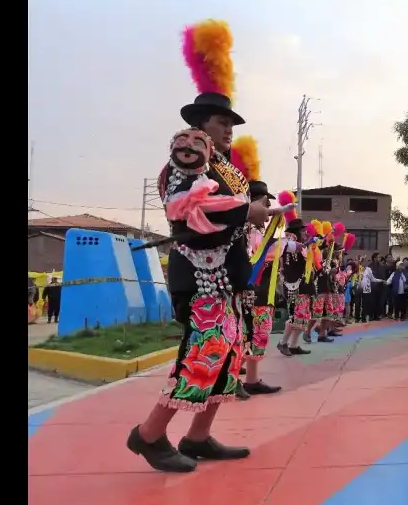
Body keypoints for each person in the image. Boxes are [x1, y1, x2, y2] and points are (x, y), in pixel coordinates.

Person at [127, 88, 271, 472]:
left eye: (231, 125)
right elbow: (190, 212)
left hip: (229, 278)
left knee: (228, 358)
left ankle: (197, 436)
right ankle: (149, 434)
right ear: (200, 125)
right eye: (222, 123)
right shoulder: (187, 160)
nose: (229, 130)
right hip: (202, 276)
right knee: (201, 357)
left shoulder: (223, 166)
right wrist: (246, 211)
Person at [237, 178, 283, 396]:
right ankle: (233, 379)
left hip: (263, 292)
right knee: (244, 333)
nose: (268, 212)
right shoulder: (245, 231)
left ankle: (252, 379)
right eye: (266, 205)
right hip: (248, 292)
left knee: (258, 334)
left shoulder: (259, 232)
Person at [276, 216, 312, 356]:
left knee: (302, 317)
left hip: (302, 285)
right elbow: (289, 268)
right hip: (294, 286)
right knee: (294, 316)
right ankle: (283, 342)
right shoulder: (289, 246)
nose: (305, 234)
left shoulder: (299, 246)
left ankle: (294, 345)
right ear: (296, 232)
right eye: (303, 231)